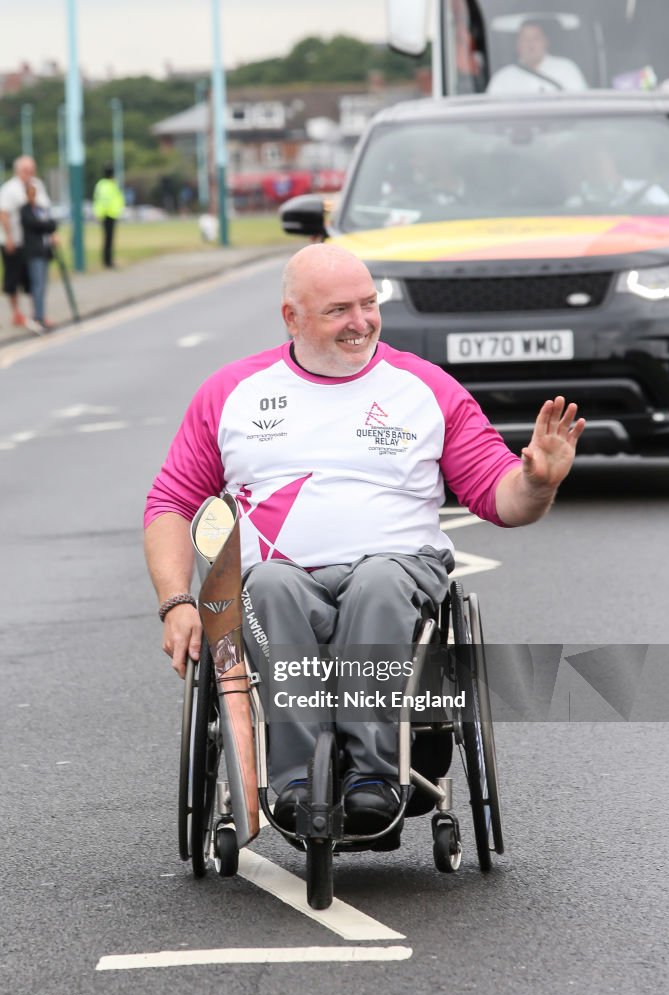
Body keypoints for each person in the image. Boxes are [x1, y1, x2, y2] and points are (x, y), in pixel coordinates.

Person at [143, 245, 585, 835]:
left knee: (377, 582)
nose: (361, 322)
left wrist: (535, 481)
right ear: (292, 318)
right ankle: (296, 780)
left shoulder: (425, 388)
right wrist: (177, 602)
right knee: (267, 584)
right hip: (278, 579)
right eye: (338, 310)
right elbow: (171, 502)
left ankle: (375, 777)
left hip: (399, 568)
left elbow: (498, 499)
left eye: (369, 304)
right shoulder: (232, 392)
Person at [0, 155, 51, 328]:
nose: (29, 173)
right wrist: (8, 238)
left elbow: (44, 210)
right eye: (25, 170)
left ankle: (37, 313)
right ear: (18, 170)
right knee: (13, 278)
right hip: (15, 240)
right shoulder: (9, 189)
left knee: (34, 279)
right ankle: (16, 313)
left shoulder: (37, 185)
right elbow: (4, 214)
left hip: (33, 242)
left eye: (31, 170)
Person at [487, 20, 587, 95]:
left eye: (536, 38)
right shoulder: (503, 78)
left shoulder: (567, 69)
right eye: (525, 39)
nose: (531, 44)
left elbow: (582, 107)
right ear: (517, 45)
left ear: (546, 42)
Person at [20, 183, 58, 331]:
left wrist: (45, 224)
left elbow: (52, 224)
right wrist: (45, 224)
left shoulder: (41, 209)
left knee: (43, 286)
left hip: (44, 252)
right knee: (37, 285)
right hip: (33, 252)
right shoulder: (25, 210)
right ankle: (38, 317)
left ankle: (41, 315)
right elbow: (35, 224)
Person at [92, 165, 125, 268]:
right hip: (109, 214)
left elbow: (98, 199)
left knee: (108, 239)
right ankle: (107, 261)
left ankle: (108, 260)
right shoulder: (111, 184)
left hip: (107, 214)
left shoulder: (101, 185)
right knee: (108, 239)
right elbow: (113, 199)